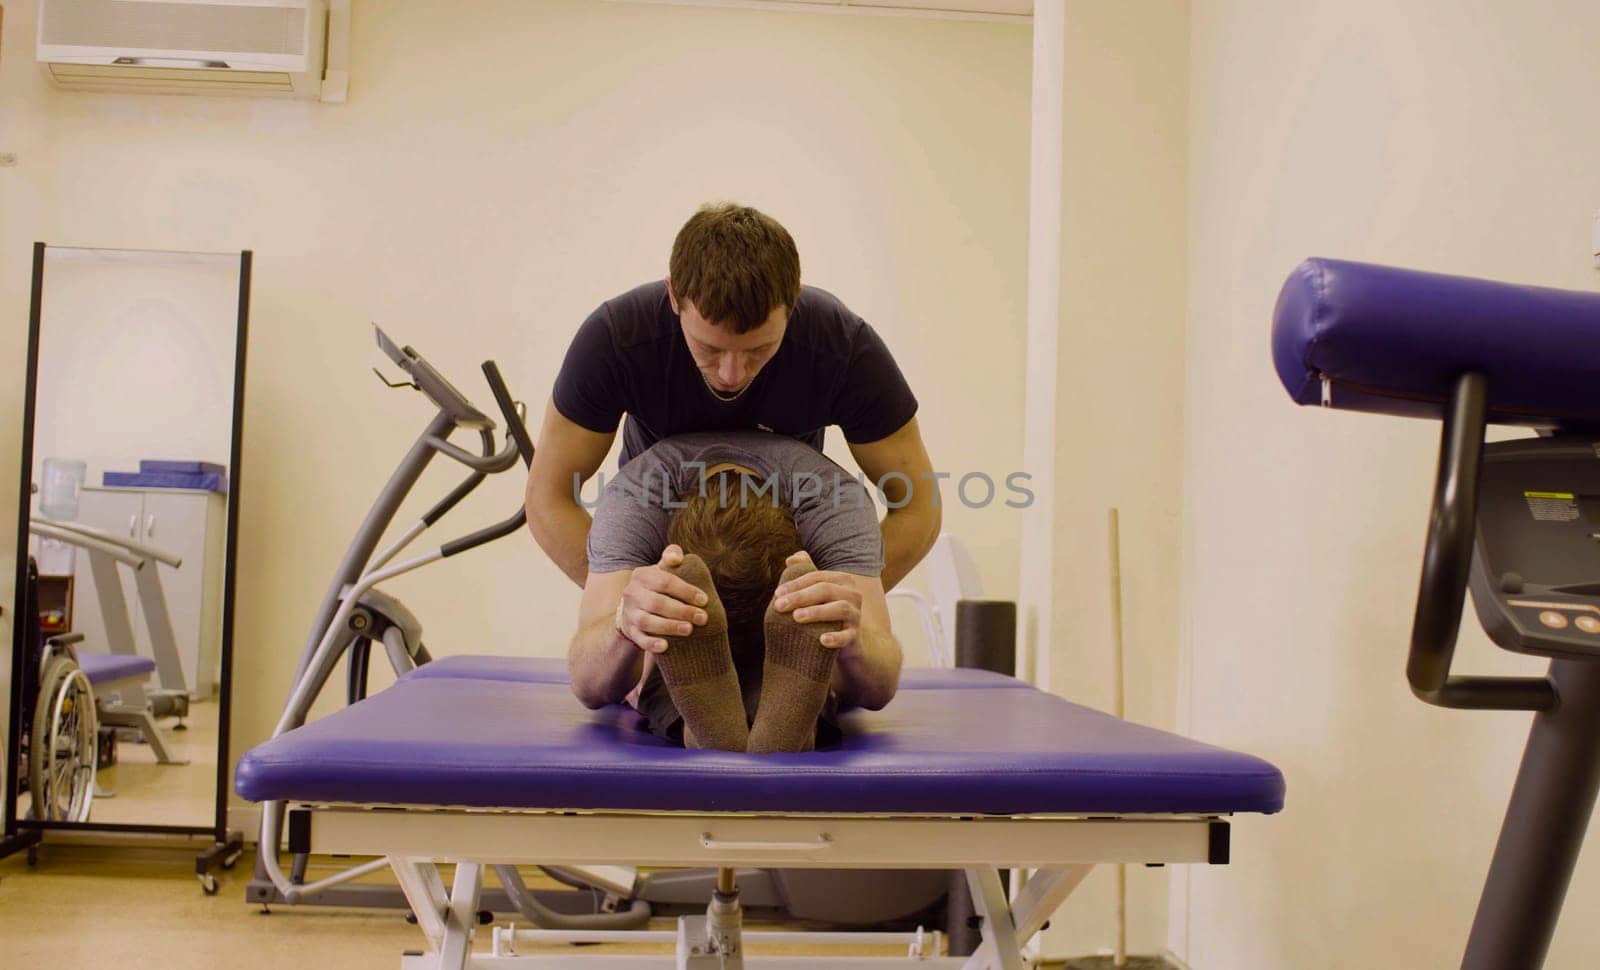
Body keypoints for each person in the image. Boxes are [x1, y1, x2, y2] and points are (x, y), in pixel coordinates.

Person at [524, 202, 941, 627]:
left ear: (791, 304)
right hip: (661, 552)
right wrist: (624, 603)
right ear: (674, 296)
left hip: (780, 567)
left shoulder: (842, 348)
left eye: (759, 350)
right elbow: (548, 497)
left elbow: (918, 506)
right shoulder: (616, 340)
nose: (731, 375)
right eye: (709, 349)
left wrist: (834, 603)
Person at [568, 430, 901, 752]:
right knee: (654, 657)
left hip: (784, 640)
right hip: (685, 638)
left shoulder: (833, 501)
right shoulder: (636, 497)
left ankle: (704, 727)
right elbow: (589, 685)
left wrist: (852, 637)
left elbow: (878, 687)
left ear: (799, 532)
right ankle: (786, 732)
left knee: (823, 649)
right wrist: (626, 625)